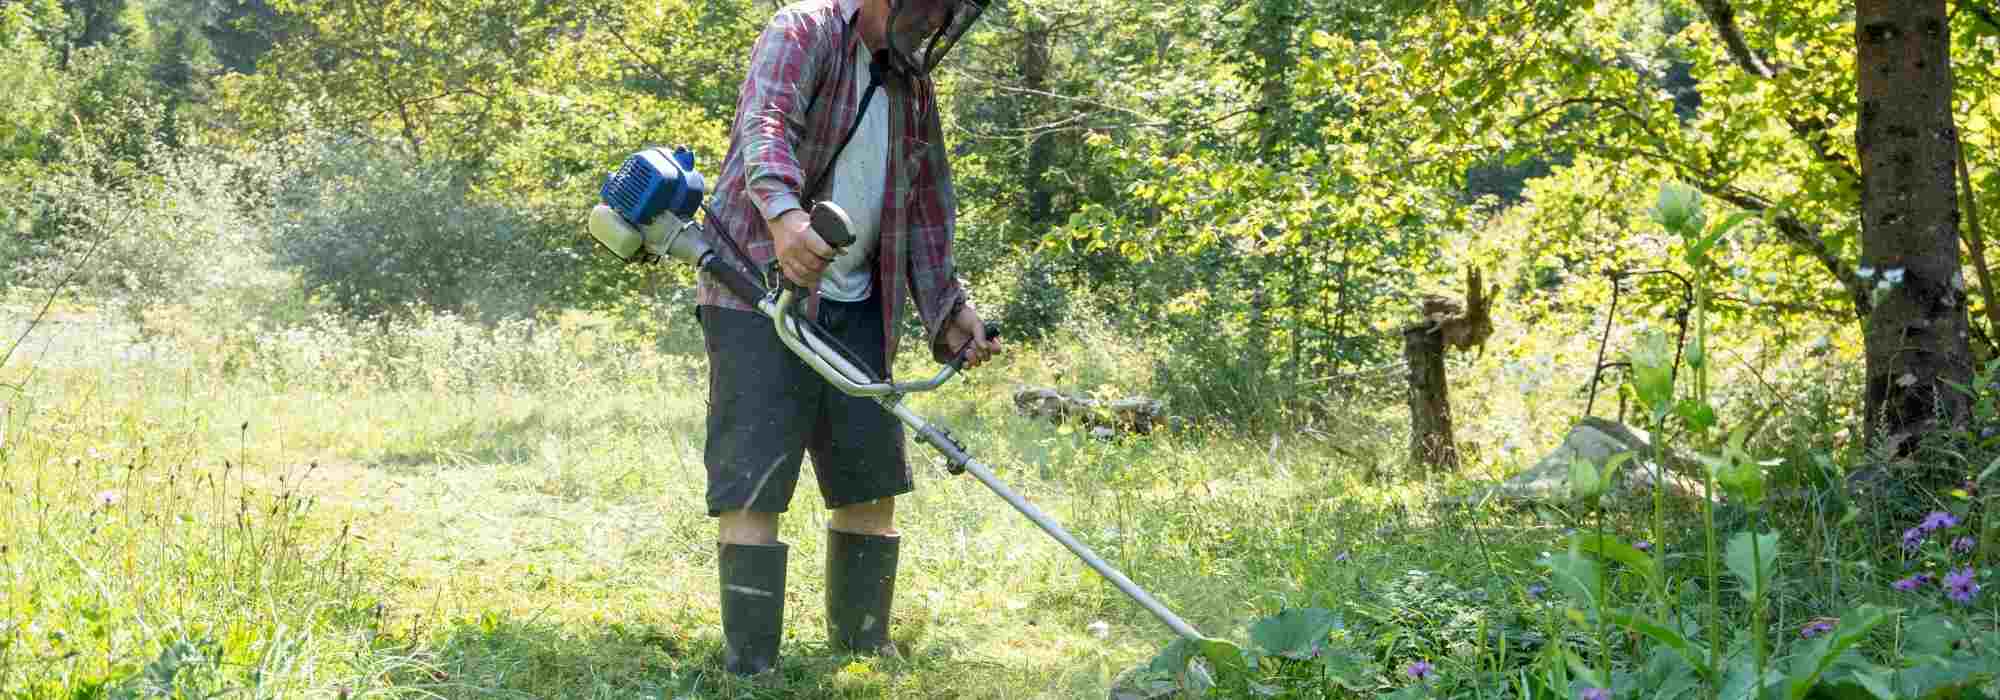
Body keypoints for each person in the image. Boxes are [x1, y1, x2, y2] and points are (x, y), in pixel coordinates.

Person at [694, 0, 1000, 677]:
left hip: (859, 300)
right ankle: (753, 668)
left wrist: (949, 306)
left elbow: (925, 202)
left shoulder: (911, 82)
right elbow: (765, 124)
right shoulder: (802, 31)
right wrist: (782, 215)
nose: (939, 20)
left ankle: (863, 650)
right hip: (758, 289)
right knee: (754, 481)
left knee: (869, 478)